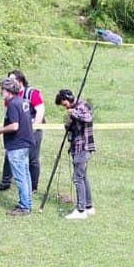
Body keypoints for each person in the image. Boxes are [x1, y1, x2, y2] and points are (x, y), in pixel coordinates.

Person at [0, 70, 45, 193]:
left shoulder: (32, 93)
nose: (9, 82)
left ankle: (33, 187)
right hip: (16, 133)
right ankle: (5, 182)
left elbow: (40, 111)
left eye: (12, 79)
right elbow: (8, 113)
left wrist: (34, 128)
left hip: (32, 130)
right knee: (9, 155)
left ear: (20, 81)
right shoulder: (8, 96)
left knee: (32, 158)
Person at [0, 77, 33, 216]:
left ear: (8, 90)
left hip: (17, 144)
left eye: (2, 89)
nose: (0, 92)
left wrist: (0, 130)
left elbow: (15, 126)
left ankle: (24, 206)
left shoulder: (12, 104)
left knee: (20, 176)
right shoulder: (23, 102)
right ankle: (27, 202)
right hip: (26, 143)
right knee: (26, 175)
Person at [54, 88, 95, 219]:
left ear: (69, 98)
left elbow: (88, 117)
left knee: (77, 178)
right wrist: (68, 123)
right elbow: (71, 126)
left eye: (64, 103)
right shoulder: (73, 110)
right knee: (83, 176)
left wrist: (74, 113)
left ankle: (80, 210)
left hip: (83, 147)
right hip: (75, 146)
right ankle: (88, 206)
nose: (65, 107)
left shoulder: (83, 106)